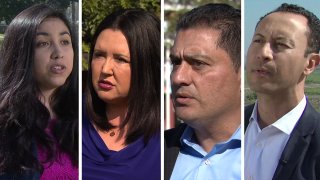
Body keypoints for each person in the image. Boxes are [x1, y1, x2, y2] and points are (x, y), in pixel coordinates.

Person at [0, 4, 78, 179]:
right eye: (43, 43)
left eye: (65, 41)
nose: (58, 53)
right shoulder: (7, 126)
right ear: (21, 54)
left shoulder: (83, 116)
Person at [164, 3, 241, 180]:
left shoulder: (267, 154)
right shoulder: (156, 150)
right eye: (176, 62)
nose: (178, 78)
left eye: (198, 63)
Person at [82, 8, 160, 180]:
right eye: (99, 55)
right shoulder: (68, 117)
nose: (105, 69)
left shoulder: (167, 140)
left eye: (120, 59)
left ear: (146, 66)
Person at [245, 3, 320, 180]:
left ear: (310, 64)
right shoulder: (227, 128)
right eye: (258, 41)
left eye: (280, 44)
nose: (264, 53)